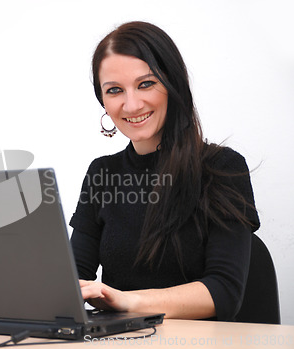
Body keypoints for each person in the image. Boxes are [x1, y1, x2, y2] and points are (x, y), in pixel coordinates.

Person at [69, 21, 260, 321]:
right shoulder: (101, 174)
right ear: (103, 101)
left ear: (173, 85)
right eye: (115, 90)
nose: (131, 105)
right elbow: (70, 284)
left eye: (146, 84)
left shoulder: (222, 168)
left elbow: (224, 292)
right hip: (121, 342)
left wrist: (128, 301)